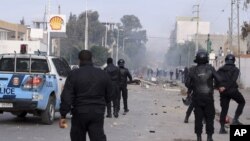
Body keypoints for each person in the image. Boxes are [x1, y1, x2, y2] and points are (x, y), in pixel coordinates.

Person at [59, 50, 112, 141]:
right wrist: (103, 103)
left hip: (79, 113)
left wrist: (63, 114)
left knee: (77, 137)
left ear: (79, 60)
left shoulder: (74, 74)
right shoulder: (102, 74)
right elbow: (110, 93)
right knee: (98, 137)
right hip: (97, 112)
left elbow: (67, 96)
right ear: (92, 59)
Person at [185, 49, 223, 141]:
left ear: (196, 59)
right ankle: (209, 137)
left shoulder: (192, 70)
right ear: (206, 58)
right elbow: (219, 79)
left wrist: (193, 86)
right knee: (210, 118)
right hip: (208, 98)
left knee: (198, 118)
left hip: (197, 98)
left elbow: (187, 84)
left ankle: (199, 137)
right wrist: (215, 86)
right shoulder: (210, 68)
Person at [216, 54, 245, 134]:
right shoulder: (236, 69)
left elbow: (216, 80)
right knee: (242, 102)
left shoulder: (220, 69)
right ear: (233, 60)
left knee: (224, 109)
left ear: (225, 60)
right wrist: (224, 87)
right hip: (232, 90)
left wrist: (219, 87)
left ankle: (222, 128)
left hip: (223, 92)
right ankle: (235, 119)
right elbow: (232, 81)